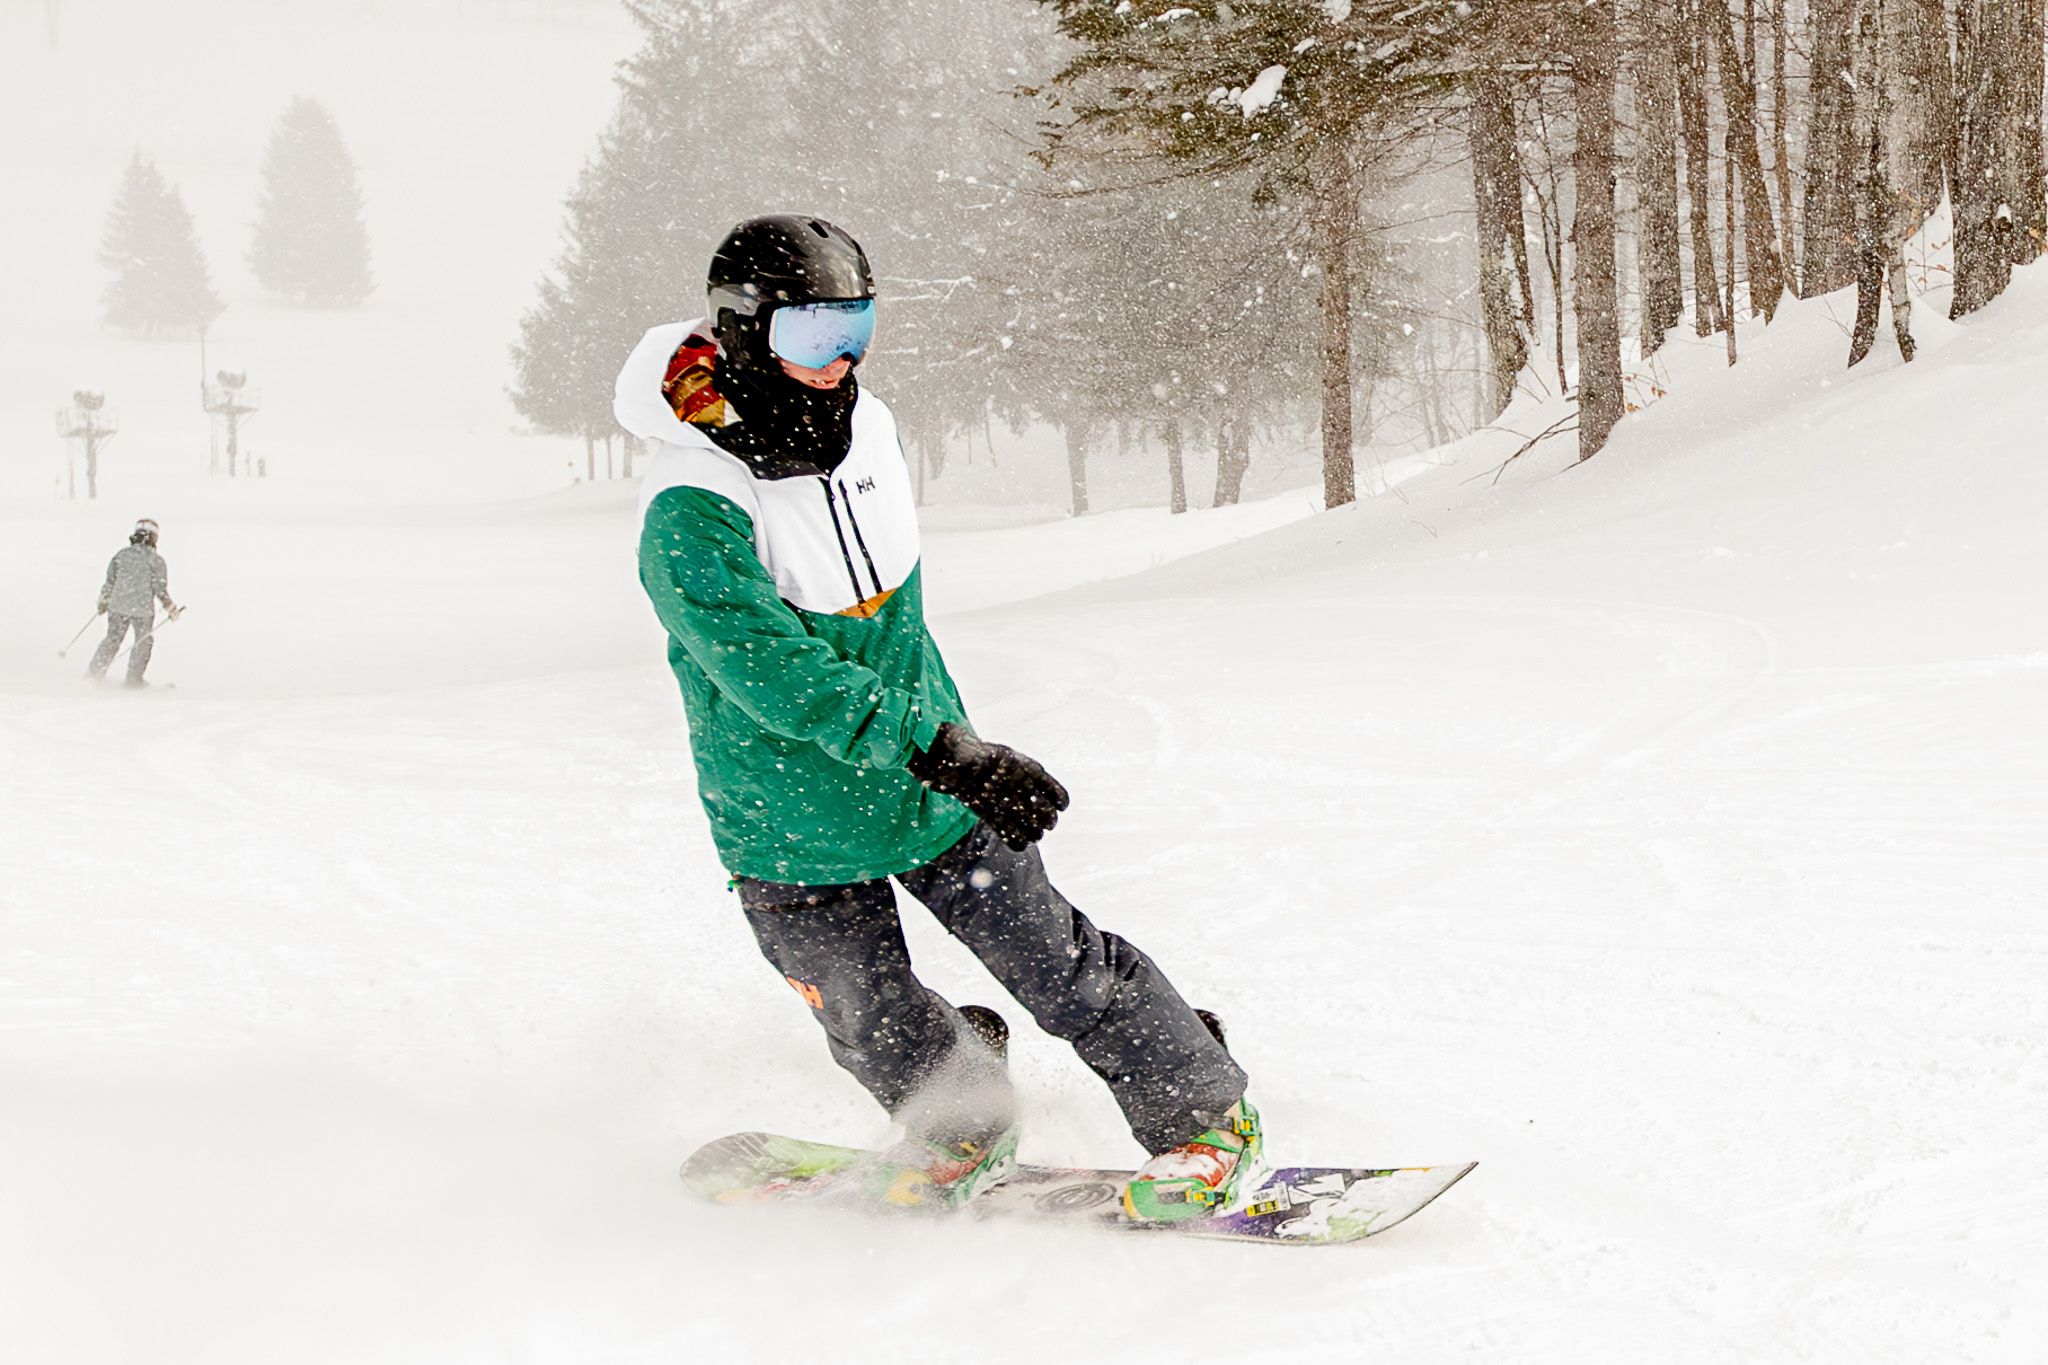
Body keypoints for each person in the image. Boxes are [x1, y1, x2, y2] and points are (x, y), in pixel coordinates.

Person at [616, 215, 1258, 1221]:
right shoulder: (690, 507)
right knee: (868, 1020)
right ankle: (964, 1117)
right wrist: (943, 747)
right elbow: (774, 674)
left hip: (929, 793)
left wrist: (941, 745)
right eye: (809, 339)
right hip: (790, 811)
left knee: (1060, 969)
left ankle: (1200, 1116)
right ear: (742, 331)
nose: (838, 366)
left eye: (856, 330)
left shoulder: (868, 430)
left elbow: (885, 618)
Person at [89, 518, 179, 687]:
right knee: (143, 642)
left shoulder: (121, 555)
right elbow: (160, 589)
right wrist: (171, 608)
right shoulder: (156, 561)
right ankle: (134, 679)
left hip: (118, 607)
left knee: (113, 639)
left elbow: (110, 581)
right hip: (142, 611)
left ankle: (95, 673)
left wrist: (104, 600)